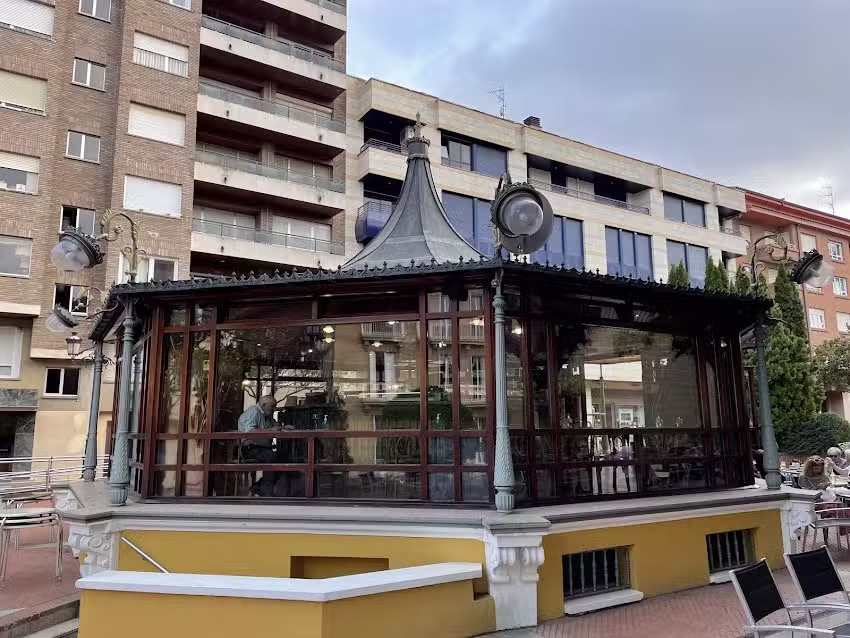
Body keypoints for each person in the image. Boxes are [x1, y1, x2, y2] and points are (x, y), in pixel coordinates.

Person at [238, 395, 279, 496]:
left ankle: (259, 486)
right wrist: (271, 430)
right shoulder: (254, 411)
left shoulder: (266, 414)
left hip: (262, 448)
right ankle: (265, 491)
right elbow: (250, 431)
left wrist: (283, 427)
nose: (274, 409)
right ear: (264, 405)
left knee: (282, 457)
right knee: (272, 458)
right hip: (250, 448)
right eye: (273, 406)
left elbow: (275, 427)